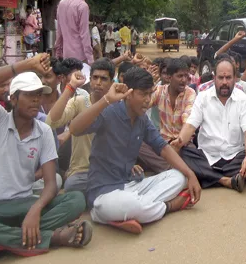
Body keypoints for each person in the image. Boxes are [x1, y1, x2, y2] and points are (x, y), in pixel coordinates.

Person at [0, 54, 92, 264]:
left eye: (38, 95)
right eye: (29, 95)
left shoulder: (44, 131)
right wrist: (25, 65)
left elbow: (50, 183)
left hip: (26, 201)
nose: (36, 100)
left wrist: (35, 209)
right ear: (13, 98)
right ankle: (53, 238)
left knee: (75, 199)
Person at [68, 67, 202, 235]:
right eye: (143, 94)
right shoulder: (109, 112)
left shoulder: (142, 119)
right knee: (132, 204)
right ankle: (168, 206)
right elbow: (74, 129)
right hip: (105, 193)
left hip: (131, 185)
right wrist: (106, 100)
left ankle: (127, 214)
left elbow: (163, 147)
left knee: (178, 177)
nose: (148, 100)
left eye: (150, 94)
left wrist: (190, 175)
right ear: (129, 93)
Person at [175, 57, 246, 192]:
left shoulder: (242, 98)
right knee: (183, 153)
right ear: (214, 78)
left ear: (235, 78)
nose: (224, 82)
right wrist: (179, 142)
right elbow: (190, 125)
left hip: (234, 157)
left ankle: (206, 176)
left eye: (228, 78)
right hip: (207, 156)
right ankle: (226, 180)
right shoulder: (203, 97)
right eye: (221, 78)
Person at [46, 58, 114, 192]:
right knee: (72, 185)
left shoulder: (117, 105)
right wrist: (70, 87)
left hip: (109, 169)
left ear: (112, 82)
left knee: (136, 175)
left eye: (103, 79)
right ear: (90, 79)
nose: (98, 82)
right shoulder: (79, 102)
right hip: (83, 171)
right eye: (95, 78)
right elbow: (51, 122)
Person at [136, 58, 195, 176]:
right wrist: (146, 88)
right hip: (162, 143)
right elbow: (141, 106)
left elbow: (187, 121)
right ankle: (169, 168)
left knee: (195, 155)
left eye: (186, 76)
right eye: (179, 76)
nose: (184, 80)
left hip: (183, 143)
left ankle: (166, 167)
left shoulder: (190, 93)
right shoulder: (159, 91)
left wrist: (178, 143)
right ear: (169, 77)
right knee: (137, 144)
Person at [54, 0, 95, 64]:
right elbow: (84, 34)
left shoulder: (61, 3)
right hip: (80, 56)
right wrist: (90, 59)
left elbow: (59, 31)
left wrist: (58, 53)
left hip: (66, 55)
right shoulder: (82, 6)